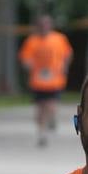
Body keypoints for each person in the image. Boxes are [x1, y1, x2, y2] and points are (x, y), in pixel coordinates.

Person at [18, 14, 73, 147]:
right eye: (41, 25)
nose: (44, 27)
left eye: (46, 24)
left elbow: (67, 54)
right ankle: (42, 133)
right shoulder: (32, 41)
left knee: (51, 106)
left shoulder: (59, 39)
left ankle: (52, 119)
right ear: (38, 26)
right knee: (40, 109)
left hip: (55, 79)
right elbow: (25, 57)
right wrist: (28, 65)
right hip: (38, 80)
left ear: (50, 25)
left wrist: (65, 66)